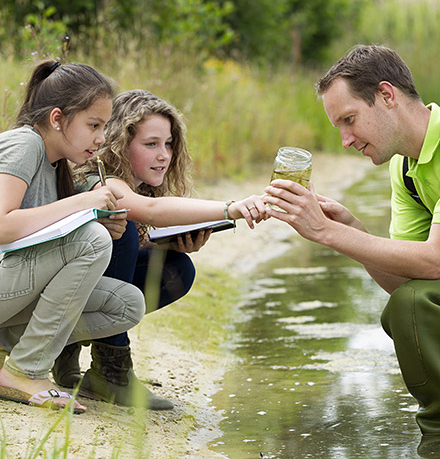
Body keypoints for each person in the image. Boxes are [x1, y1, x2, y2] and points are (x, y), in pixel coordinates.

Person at [263, 45, 440, 445]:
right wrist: (350, 230)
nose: (345, 140)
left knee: (413, 305)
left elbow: (435, 263)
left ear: (387, 96)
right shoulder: (406, 168)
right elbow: (405, 283)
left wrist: (326, 233)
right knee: (408, 304)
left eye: (349, 120)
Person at [53, 88, 267, 410]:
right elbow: (148, 213)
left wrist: (168, 243)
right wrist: (231, 208)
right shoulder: (101, 180)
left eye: (168, 144)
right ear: (120, 145)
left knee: (176, 269)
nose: (164, 155)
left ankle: (76, 350)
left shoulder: (134, 183)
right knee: (120, 231)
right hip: (51, 296)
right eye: (151, 144)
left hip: (79, 289)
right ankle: (111, 369)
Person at [0, 60, 146, 414]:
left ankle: (5, 351)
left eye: (105, 126)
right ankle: (25, 371)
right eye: (93, 125)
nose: (101, 137)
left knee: (127, 303)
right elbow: (2, 226)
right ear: (56, 118)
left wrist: (91, 217)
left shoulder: (56, 164)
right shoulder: (25, 144)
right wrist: (82, 205)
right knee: (91, 240)